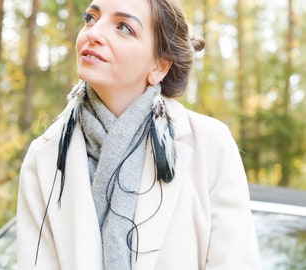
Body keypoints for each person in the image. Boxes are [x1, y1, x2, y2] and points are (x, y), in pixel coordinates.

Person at [16, 0, 262, 269]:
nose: (93, 33)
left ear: (159, 66)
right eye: (91, 18)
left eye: (123, 27)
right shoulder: (44, 156)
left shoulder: (210, 144)